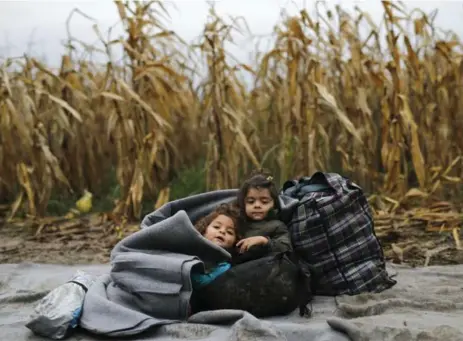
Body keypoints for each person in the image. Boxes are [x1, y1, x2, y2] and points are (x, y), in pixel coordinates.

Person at [234, 169, 292, 261]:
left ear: (274, 204)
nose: (257, 205)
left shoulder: (277, 226)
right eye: (251, 201)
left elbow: (286, 247)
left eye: (264, 202)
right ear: (243, 203)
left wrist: (265, 241)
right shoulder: (237, 223)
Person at [190, 203, 240, 289]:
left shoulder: (224, 267)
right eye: (217, 227)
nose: (222, 231)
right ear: (204, 229)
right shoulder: (187, 246)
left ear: (235, 241)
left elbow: (201, 282)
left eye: (229, 232)